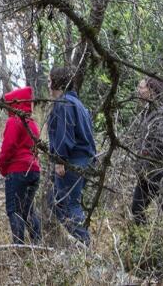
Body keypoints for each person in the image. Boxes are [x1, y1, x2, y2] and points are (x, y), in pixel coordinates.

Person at [47, 65, 97, 245]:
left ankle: (84, 245)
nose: (48, 84)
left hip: (72, 162)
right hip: (83, 161)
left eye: (49, 80)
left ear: (56, 82)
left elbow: (64, 134)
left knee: (67, 204)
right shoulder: (77, 104)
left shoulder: (64, 104)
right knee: (56, 201)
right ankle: (78, 244)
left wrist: (60, 160)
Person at [128, 77, 163, 225]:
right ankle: (143, 243)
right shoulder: (146, 114)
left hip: (159, 172)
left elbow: (159, 144)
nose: (138, 90)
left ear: (152, 91)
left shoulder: (161, 114)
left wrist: (143, 156)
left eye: (141, 87)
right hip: (145, 173)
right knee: (137, 209)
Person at [0, 87, 41, 245]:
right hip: (34, 170)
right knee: (28, 210)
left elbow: (8, 147)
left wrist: (2, 166)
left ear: (14, 104)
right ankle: (37, 243)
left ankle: (18, 246)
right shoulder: (33, 124)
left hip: (18, 171)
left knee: (14, 209)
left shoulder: (14, 121)